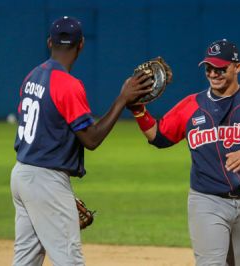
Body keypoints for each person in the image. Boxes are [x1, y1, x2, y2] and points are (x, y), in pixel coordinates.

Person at [129, 39, 240, 266]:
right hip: (207, 201)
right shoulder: (191, 104)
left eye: (221, 68)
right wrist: (138, 111)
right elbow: (159, 136)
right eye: (209, 68)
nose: (214, 73)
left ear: (238, 67)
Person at [10, 16, 153, 265]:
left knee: (26, 259)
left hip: (22, 174)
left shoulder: (32, 76)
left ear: (49, 42)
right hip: (46, 179)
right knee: (70, 259)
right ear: (81, 44)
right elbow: (91, 139)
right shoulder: (67, 84)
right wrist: (122, 100)